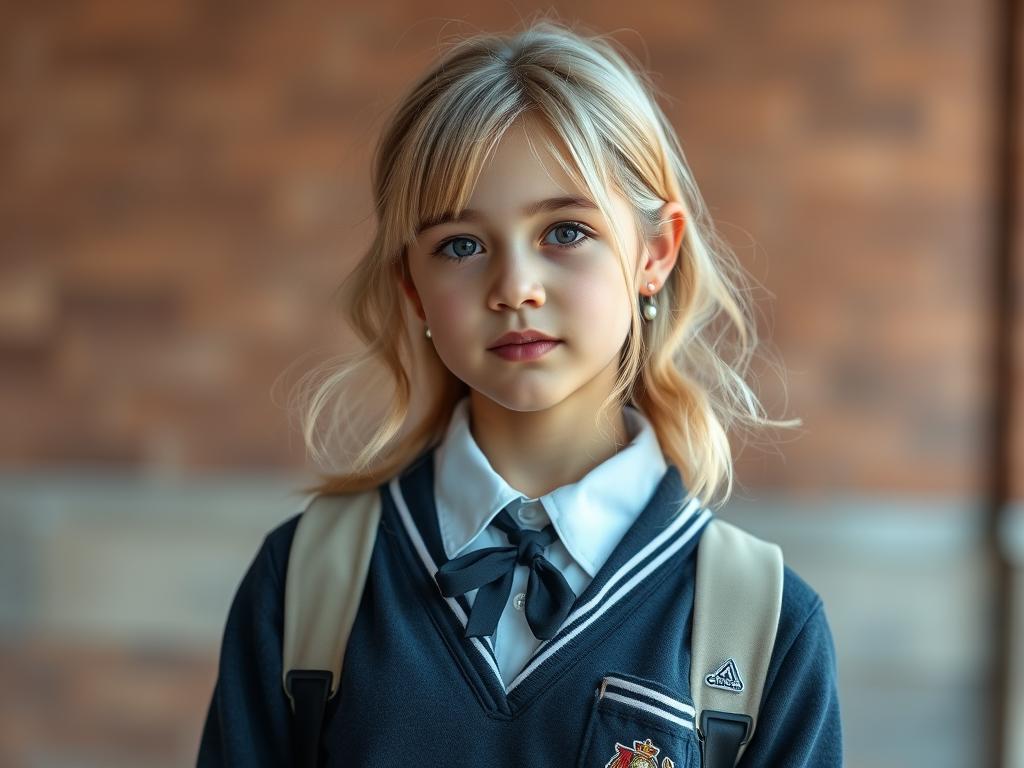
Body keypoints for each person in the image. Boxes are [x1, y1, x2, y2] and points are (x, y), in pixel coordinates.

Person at [197, 16, 842, 767]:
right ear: (412, 286)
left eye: (565, 232)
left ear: (655, 254)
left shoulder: (764, 626)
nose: (514, 289)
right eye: (460, 246)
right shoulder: (306, 586)